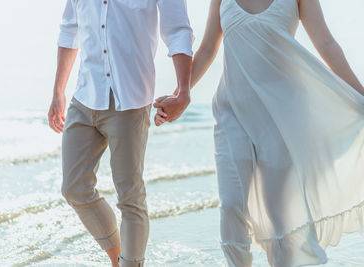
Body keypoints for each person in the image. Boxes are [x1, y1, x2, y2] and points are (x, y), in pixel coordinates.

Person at [154, 0, 364, 266]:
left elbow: (326, 44)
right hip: (232, 113)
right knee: (231, 206)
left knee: (279, 217)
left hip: (283, 115)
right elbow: (207, 48)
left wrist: (360, 95)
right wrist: (180, 95)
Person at [47, 1, 194, 266]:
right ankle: (118, 260)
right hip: (85, 95)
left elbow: (178, 30)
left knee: (130, 197)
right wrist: (58, 91)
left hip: (131, 99)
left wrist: (183, 91)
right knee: (74, 188)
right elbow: (70, 28)